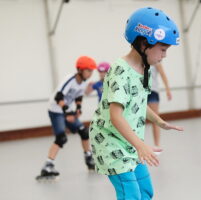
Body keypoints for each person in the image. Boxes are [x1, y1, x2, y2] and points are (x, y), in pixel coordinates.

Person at [89, 7, 183, 200]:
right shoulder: (120, 70)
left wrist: (159, 122)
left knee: (146, 191)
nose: (164, 55)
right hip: (110, 141)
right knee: (130, 194)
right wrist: (140, 145)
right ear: (144, 43)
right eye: (163, 49)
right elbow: (116, 116)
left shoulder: (145, 69)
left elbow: (138, 103)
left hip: (130, 141)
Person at [36, 56, 97, 181]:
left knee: (84, 132)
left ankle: (89, 159)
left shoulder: (83, 82)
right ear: (80, 70)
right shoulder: (70, 79)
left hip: (66, 110)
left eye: (92, 71)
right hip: (56, 111)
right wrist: (68, 113)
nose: (90, 74)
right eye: (88, 70)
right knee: (61, 138)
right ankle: (47, 166)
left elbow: (79, 96)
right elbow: (58, 97)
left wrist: (79, 108)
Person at [148, 63, 172, 148]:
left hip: (153, 91)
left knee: (155, 118)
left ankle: (157, 144)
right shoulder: (140, 60)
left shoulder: (156, 62)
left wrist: (168, 89)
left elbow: (163, 75)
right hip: (142, 92)